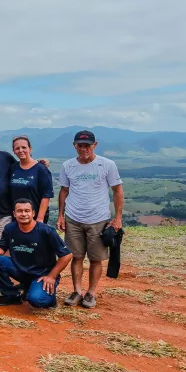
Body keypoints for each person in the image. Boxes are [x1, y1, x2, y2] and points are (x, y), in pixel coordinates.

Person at [56, 130, 124, 309]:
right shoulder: (68, 165)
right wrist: (61, 215)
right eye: (80, 145)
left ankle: (91, 293)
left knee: (96, 259)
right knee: (76, 257)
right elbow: (64, 191)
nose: (83, 148)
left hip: (98, 219)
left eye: (87, 145)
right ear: (74, 146)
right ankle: (77, 291)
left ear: (95, 145)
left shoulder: (107, 165)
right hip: (73, 218)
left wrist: (118, 217)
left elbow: (117, 191)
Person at [0, 199, 72, 308]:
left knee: (36, 300)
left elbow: (66, 255)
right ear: (14, 214)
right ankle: (11, 294)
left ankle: (50, 299)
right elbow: (1, 247)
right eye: (20, 211)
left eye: (27, 211)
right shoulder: (10, 228)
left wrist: (51, 276)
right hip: (21, 270)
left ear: (33, 213)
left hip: (42, 274)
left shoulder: (46, 231)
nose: (23, 214)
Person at [9, 136, 54, 223]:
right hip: (17, 217)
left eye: (24, 147)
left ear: (30, 149)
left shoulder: (41, 169)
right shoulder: (13, 168)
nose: (21, 150)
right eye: (17, 148)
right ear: (14, 151)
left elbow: (46, 195)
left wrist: (40, 219)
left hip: (35, 217)